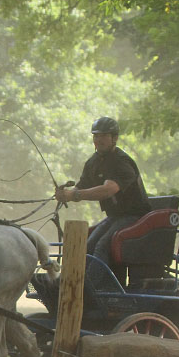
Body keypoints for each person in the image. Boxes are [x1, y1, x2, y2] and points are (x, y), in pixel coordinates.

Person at [54, 116, 152, 283]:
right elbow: (81, 187)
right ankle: (72, 283)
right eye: (96, 136)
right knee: (88, 245)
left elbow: (108, 189)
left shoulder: (121, 161)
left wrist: (74, 195)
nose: (99, 140)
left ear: (114, 138)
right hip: (115, 217)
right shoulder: (93, 162)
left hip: (135, 217)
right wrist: (66, 194)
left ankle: (92, 288)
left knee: (102, 246)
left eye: (104, 136)